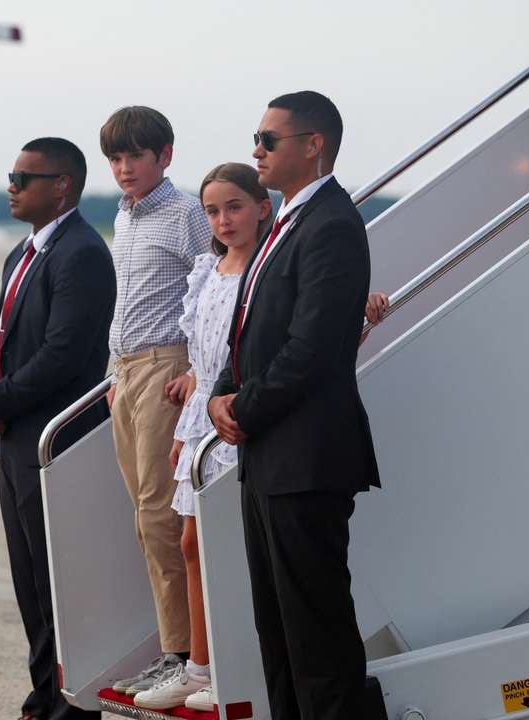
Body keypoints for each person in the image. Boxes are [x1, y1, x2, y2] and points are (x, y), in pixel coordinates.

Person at [209, 91, 380, 720]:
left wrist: (242, 407)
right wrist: (223, 393)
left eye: (268, 139)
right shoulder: (285, 222)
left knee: (318, 638)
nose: (256, 149)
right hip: (270, 456)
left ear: (313, 146)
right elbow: (253, 328)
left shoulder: (332, 223)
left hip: (306, 459)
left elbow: (315, 347)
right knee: (277, 631)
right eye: (255, 137)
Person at [0, 138, 114, 720]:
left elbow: (64, 354)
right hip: (16, 436)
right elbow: (0, 340)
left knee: (60, 584)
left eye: (23, 177)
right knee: (29, 577)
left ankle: (71, 706)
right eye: (11, 175)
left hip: (55, 441)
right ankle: (44, 694)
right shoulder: (22, 254)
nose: (12, 185)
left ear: (62, 186)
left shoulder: (81, 252)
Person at [132, 163, 269, 711]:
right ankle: (200, 665)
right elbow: (200, 357)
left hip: (237, 424)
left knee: (228, 546)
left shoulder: (267, 268)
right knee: (191, 544)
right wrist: (186, 430)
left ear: (262, 206)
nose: (223, 219)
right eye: (213, 210)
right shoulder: (208, 272)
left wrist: (368, 301)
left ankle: (233, 664)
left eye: (234, 206)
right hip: (199, 424)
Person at [99, 106, 214, 696]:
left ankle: (185, 655)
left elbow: (220, 281)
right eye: (115, 158)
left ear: (164, 154)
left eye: (134, 156)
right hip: (127, 375)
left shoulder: (188, 211)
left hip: (166, 369)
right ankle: (177, 648)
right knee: (146, 519)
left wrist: (197, 368)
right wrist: (113, 374)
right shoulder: (125, 216)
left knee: (162, 515)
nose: (123, 168)